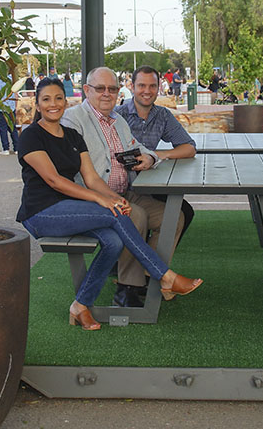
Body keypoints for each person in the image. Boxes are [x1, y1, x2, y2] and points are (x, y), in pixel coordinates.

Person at [17, 77, 202, 331]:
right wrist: (103, 200)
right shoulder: (31, 136)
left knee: (113, 240)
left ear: (66, 100)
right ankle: (166, 276)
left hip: (72, 208)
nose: (53, 104)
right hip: (42, 213)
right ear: (37, 104)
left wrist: (115, 198)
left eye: (58, 98)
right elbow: (54, 180)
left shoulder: (71, 135)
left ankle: (81, 305)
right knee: (115, 215)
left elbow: (91, 178)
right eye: (46, 99)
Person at [62, 67, 183, 309]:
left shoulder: (117, 120)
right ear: (86, 90)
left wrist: (149, 158)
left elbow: (138, 146)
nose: (107, 94)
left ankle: (149, 276)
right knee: (134, 215)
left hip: (125, 191)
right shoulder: (73, 120)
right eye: (100, 88)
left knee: (174, 217)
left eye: (113, 89)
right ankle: (126, 290)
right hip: (93, 199)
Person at [115, 65, 197, 265]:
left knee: (184, 212)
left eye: (152, 86)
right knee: (157, 215)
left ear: (159, 88)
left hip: (148, 182)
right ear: (131, 87)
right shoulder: (117, 115)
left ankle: (151, 268)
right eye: (141, 85)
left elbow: (189, 148)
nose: (147, 91)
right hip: (122, 185)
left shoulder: (162, 115)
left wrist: (156, 155)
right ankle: (136, 267)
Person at [0, 73, 18, 155]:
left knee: (3, 129)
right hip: (11, 108)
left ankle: (5, 148)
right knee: (13, 128)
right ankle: (17, 148)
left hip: (0, 108)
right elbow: (16, 94)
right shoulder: (11, 78)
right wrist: (15, 106)